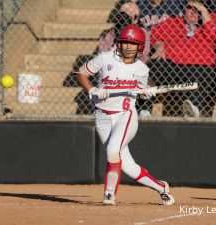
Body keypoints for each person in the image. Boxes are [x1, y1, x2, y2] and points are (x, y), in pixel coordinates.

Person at [76, 25, 175, 206]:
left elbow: (141, 91)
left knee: (112, 151)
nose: (129, 47)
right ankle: (162, 187)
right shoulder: (105, 58)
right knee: (127, 166)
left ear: (140, 47)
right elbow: (81, 73)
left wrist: (145, 92)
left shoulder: (141, 69)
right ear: (119, 43)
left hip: (125, 116)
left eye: (133, 44)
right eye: (125, 43)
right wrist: (93, 90)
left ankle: (109, 194)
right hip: (102, 117)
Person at [142, 1, 216, 117]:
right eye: (190, 9)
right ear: (183, 10)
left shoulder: (208, 27)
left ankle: (193, 107)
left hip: (198, 69)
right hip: (173, 66)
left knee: (205, 73)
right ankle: (145, 110)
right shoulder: (173, 22)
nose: (194, 13)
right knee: (153, 65)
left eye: (198, 10)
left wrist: (204, 12)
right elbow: (155, 35)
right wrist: (158, 45)